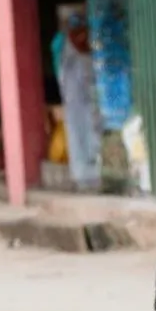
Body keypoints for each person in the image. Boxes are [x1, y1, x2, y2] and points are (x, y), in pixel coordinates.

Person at [55, 12, 101, 190]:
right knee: (79, 136)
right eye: (81, 31)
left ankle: (92, 175)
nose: (85, 36)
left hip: (88, 102)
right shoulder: (66, 50)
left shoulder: (85, 52)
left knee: (91, 134)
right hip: (75, 103)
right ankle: (84, 177)